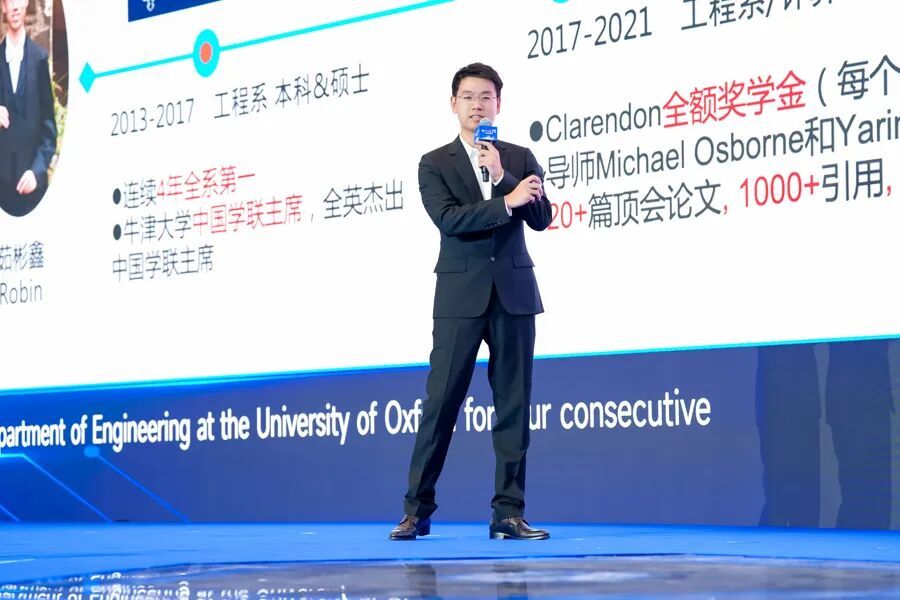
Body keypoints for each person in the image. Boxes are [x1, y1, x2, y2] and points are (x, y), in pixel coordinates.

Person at [390, 63, 552, 541]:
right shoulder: (433, 163)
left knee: (514, 405)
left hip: (514, 295)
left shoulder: (519, 158)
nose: (477, 105)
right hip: (460, 298)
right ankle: (416, 511)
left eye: (486, 97)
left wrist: (502, 177)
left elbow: (541, 217)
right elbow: (450, 220)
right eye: (468, 97)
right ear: (453, 104)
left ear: (499, 104)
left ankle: (508, 514)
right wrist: (506, 202)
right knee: (441, 402)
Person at [0, 0, 56, 218]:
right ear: (3, 6)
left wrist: (37, 172)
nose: (14, 7)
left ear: (26, 4)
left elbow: (49, 130)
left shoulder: (39, 59)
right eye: (9, 1)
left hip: (33, 195)